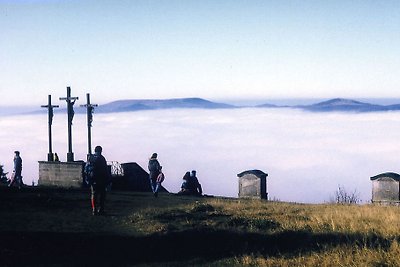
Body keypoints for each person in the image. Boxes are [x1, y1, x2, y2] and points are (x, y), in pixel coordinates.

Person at [88, 146, 110, 216]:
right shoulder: (102, 158)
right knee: (102, 195)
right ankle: (101, 209)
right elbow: (105, 170)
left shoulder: (91, 157)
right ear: (101, 151)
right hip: (101, 179)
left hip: (92, 179)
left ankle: (94, 210)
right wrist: (108, 179)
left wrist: (88, 179)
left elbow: (86, 169)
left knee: (94, 194)